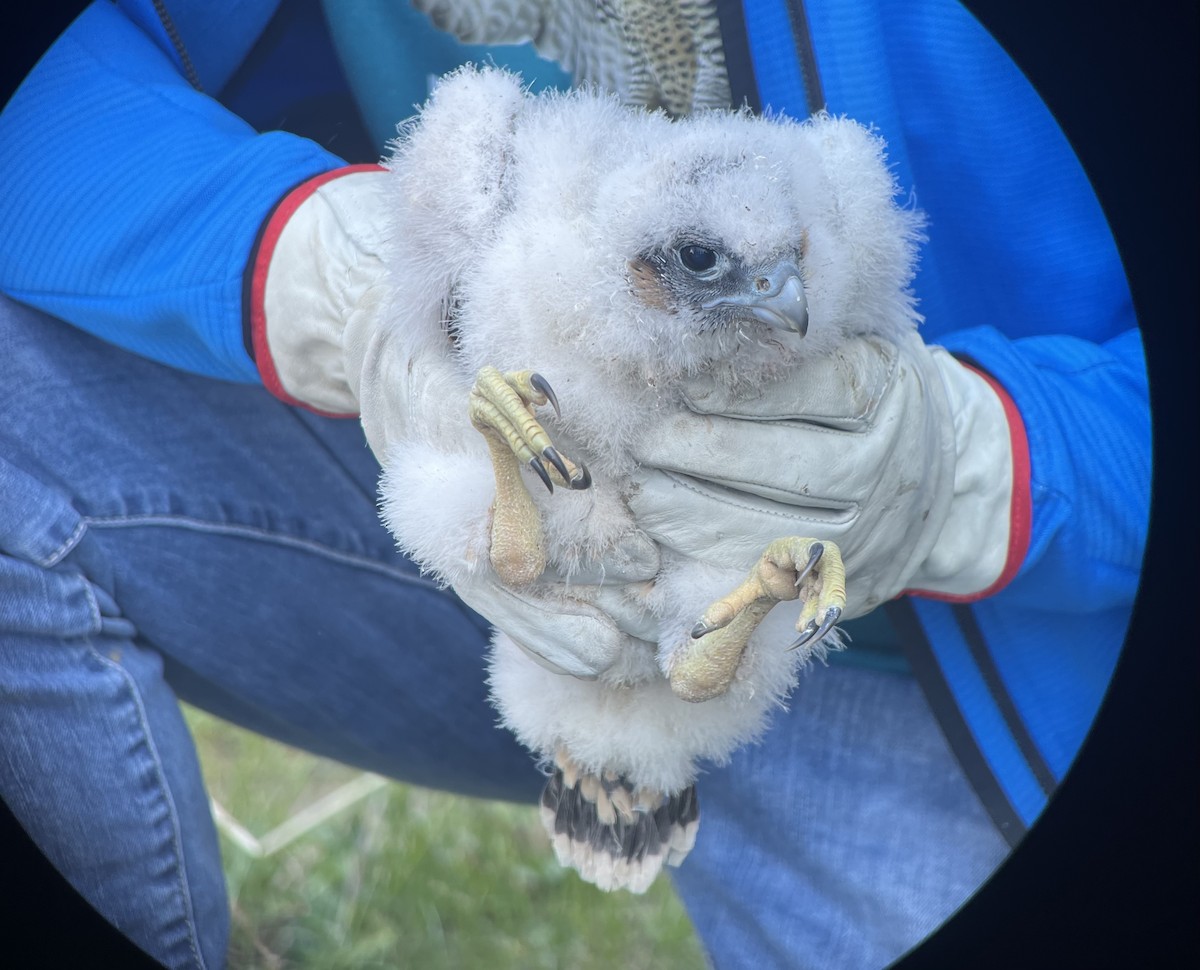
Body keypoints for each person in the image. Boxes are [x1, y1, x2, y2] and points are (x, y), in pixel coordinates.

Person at [0, 1, 1150, 968]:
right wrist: (308, 263)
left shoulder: (833, 188)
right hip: (492, 561)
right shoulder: (487, 139)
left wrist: (980, 465)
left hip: (951, 659)